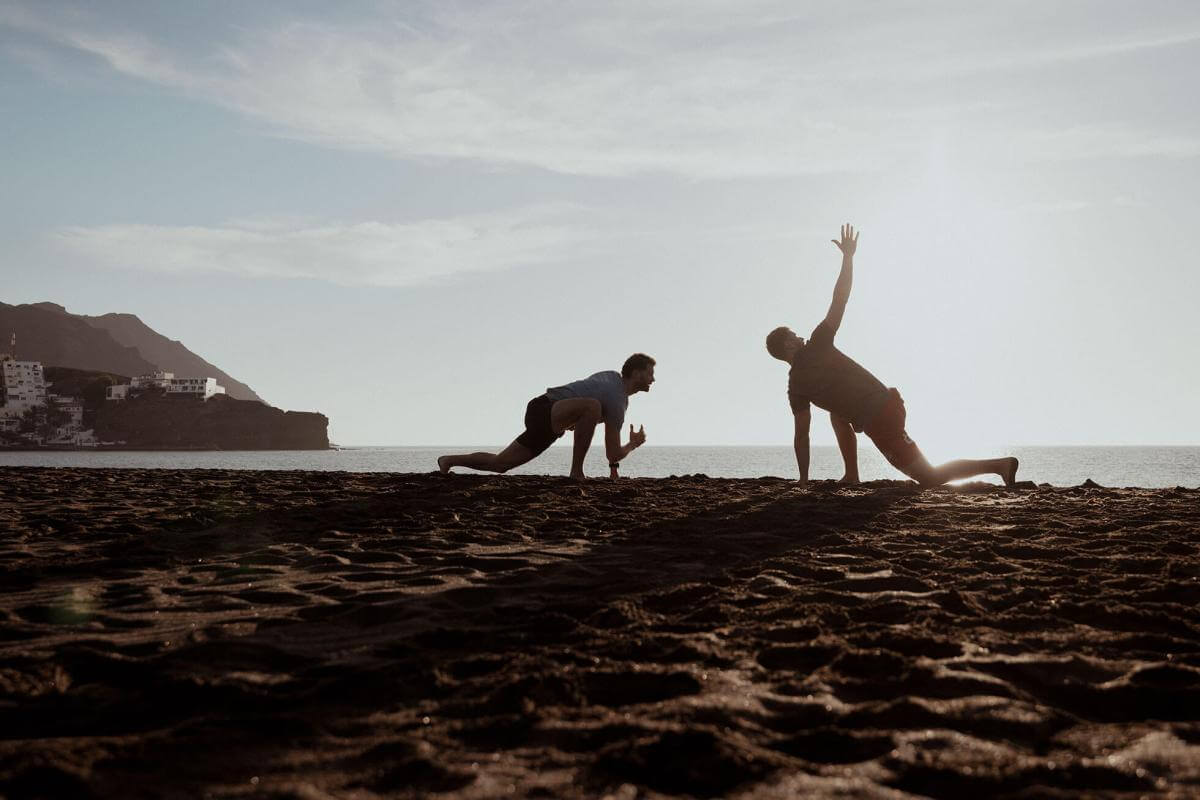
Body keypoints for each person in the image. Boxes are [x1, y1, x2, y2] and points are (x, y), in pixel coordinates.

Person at [766, 224, 1018, 488]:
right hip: (884, 406)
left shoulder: (797, 384)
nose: (799, 337)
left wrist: (804, 480)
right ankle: (852, 475)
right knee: (836, 412)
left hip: (881, 416)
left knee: (929, 477)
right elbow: (839, 299)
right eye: (793, 336)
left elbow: (802, 436)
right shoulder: (815, 348)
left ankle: (999, 465)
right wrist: (848, 257)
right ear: (787, 346)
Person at [437, 354, 655, 479]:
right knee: (592, 406)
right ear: (636, 373)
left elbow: (609, 445)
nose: (653, 379)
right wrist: (633, 444)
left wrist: (613, 470)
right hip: (544, 408)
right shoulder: (616, 396)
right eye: (649, 373)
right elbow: (613, 452)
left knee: (500, 464)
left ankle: (449, 460)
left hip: (550, 422)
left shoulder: (611, 381)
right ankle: (576, 472)